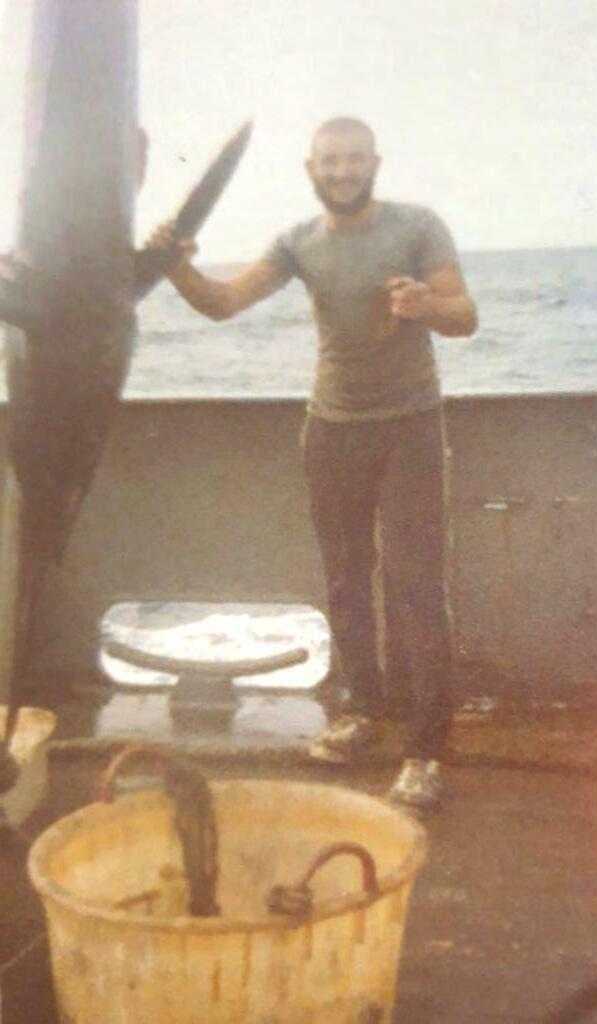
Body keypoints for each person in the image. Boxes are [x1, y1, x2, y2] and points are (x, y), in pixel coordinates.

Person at [148, 117, 478, 809]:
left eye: (354, 159)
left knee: (416, 584)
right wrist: (175, 266)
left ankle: (425, 749)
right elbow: (223, 303)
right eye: (330, 161)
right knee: (345, 579)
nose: (342, 171)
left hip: (409, 426)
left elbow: (464, 315)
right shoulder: (298, 242)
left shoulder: (418, 227)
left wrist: (426, 304)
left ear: (374, 163)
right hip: (332, 428)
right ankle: (360, 712)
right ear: (311, 169)